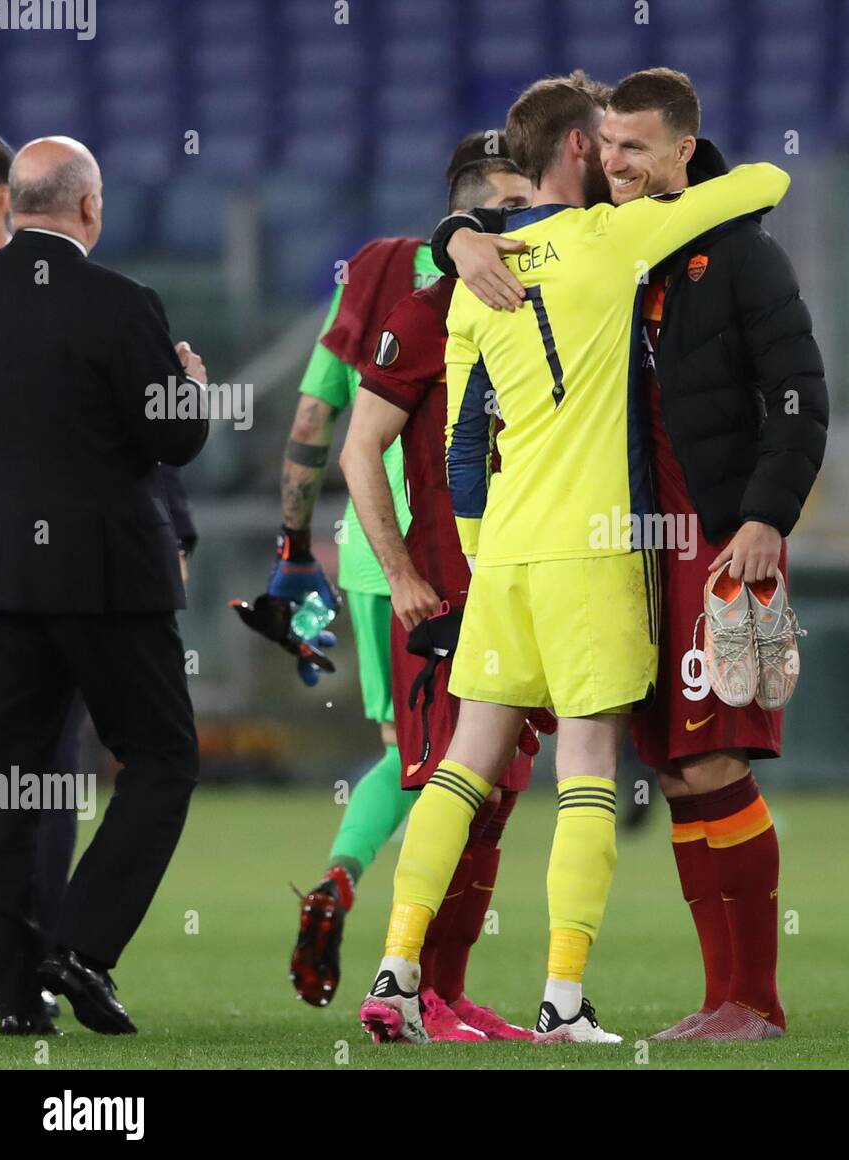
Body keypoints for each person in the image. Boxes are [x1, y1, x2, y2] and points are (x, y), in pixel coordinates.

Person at [356, 72, 791, 1045]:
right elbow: (763, 182)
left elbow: (464, 445)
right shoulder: (614, 240)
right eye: (607, 142)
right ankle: (562, 999)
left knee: (464, 766)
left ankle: (394, 973)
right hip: (591, 552)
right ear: (583, 151)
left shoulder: (475, 272)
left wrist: (455, 233)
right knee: (587, 767)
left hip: (500, 553)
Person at [271, 133, 510, 1025]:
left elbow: (313, 417)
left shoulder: (371, 273)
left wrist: (292, 547)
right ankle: (416, 980)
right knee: (457, 765)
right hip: (441, 554)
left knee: (408, 754)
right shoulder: (506, 278)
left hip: (371, 554)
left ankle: (345, 875)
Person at [0, 136, 208, 1036]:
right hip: (111, 580)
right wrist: (191, 387)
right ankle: (80, 949)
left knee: (14, 779)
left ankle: (14, 992)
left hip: (4, 584)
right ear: (89, 208)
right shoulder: (122, 303)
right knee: (162, 758)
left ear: (12, 204)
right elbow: (175, 441)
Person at [339, 153, 536, 1042]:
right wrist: (405, 577)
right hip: (448, 602)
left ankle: (445, 994)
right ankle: (402, 988)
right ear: (461, 228)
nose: (522, 227)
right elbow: (355, 451)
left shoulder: (536, 307)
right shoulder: (423, 315)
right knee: (447, 791)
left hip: (523, 591)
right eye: (504, 212)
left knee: (494, 798)